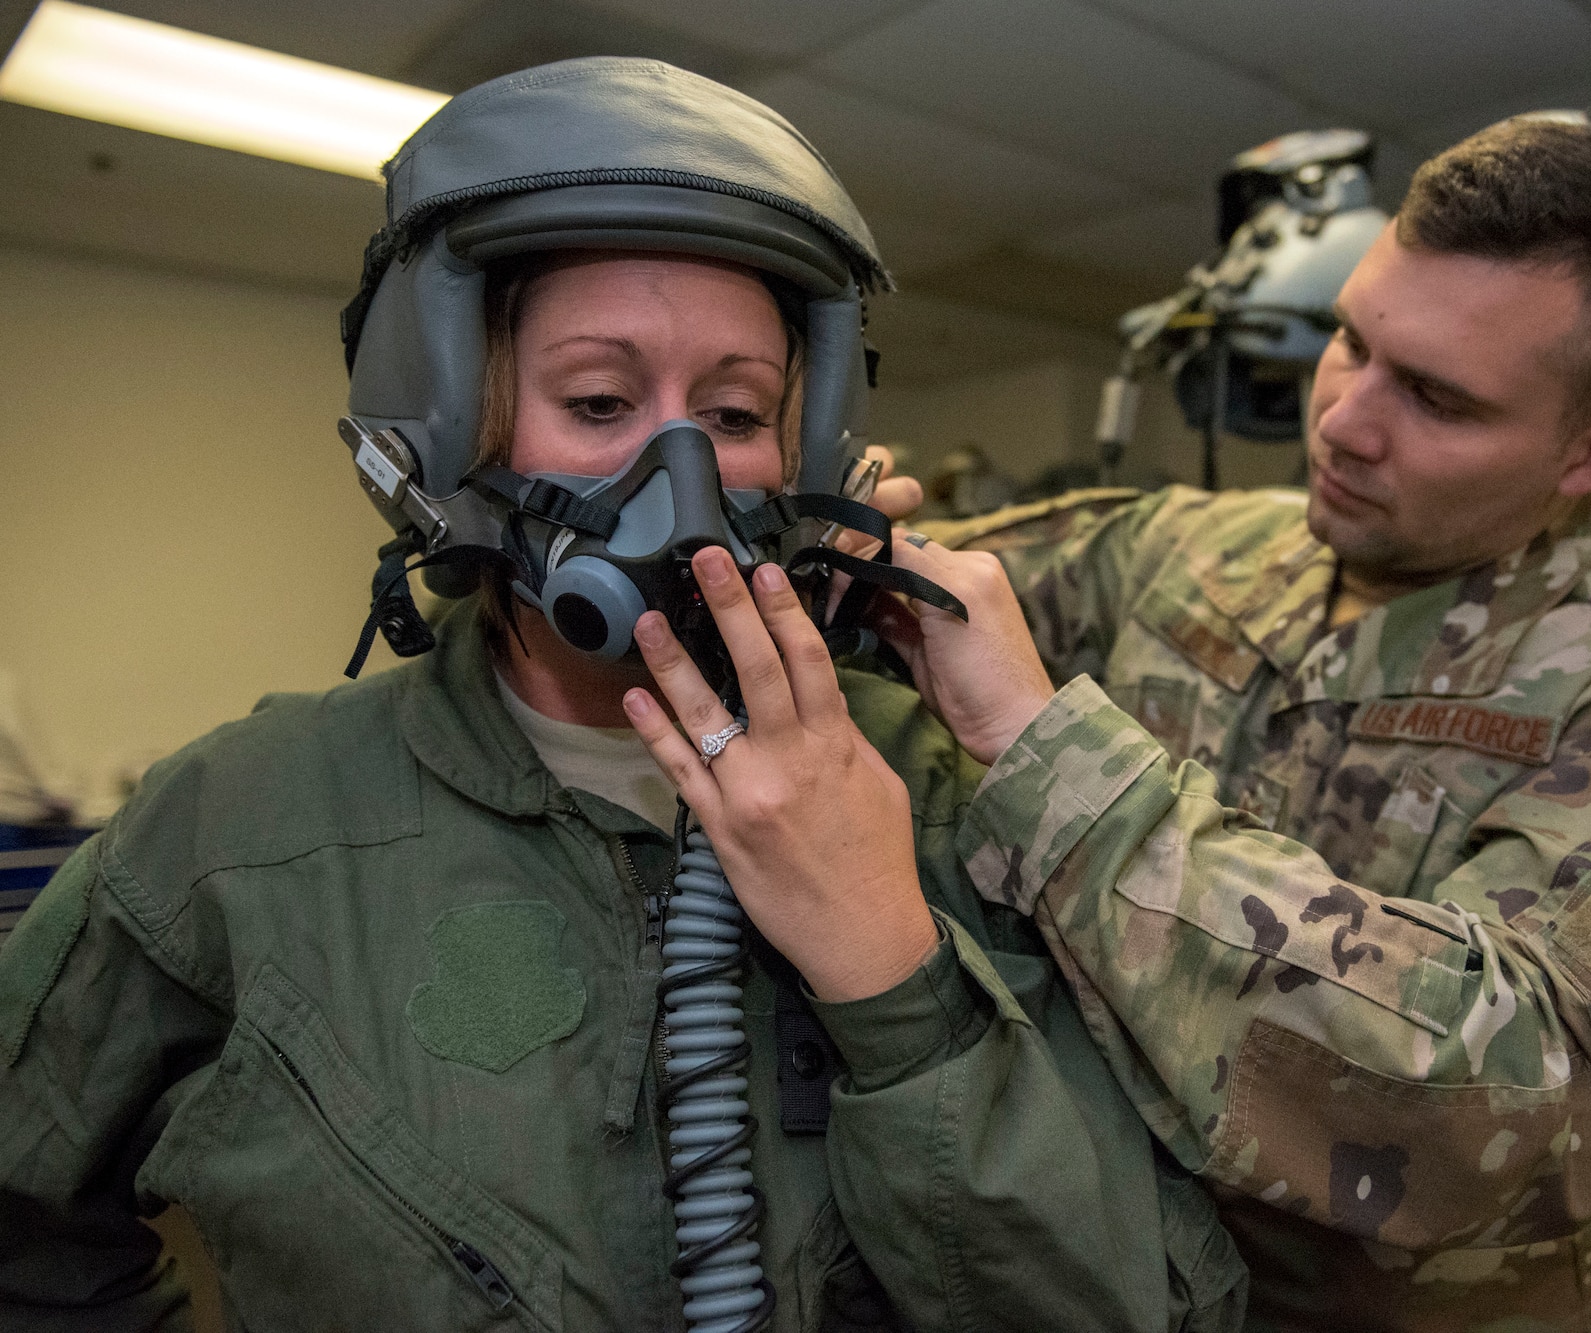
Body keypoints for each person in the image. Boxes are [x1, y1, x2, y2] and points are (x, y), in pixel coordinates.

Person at [0, 58, 1246, 1331]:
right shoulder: (235, 826)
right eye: (598, 400)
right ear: (444, 428)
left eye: (737, 411)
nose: (683, 478)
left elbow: (1137, 1303)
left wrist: (888, 963)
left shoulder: (943, 791)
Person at [871, 115, 1591, 1331]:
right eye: (1351, 340)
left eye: (1437, 398)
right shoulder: (1201, 552)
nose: (1341, 420)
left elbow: (1505, 1111)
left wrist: (1051, 761)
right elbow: (922, 582)